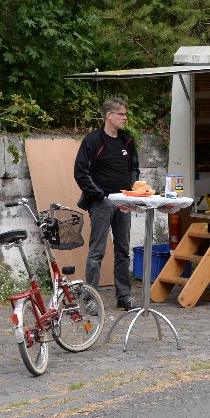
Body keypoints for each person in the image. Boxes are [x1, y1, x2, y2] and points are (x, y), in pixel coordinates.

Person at [74, 98, 140, 312]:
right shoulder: (93, 140)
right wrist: (100, 195)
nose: (125, 118)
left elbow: (135, 167)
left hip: (124, 202)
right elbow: (80, 172)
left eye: (125, 114)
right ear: (109, 115)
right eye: (121, 114)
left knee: (123, 251)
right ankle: (91, 300)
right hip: (102, 204)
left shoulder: (127, 140)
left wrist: (130, 187)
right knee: (97, 252)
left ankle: (124, 297)